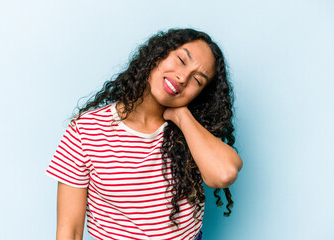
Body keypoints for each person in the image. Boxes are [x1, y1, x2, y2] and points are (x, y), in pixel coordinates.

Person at [46, 28, 243, 240]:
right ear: (158, 54)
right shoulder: (85, 130)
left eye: (197, 80)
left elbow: (224, 174)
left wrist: (181, 116)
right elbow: (70, 231)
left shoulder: (193, 132)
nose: (183, 77)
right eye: (181, 60)